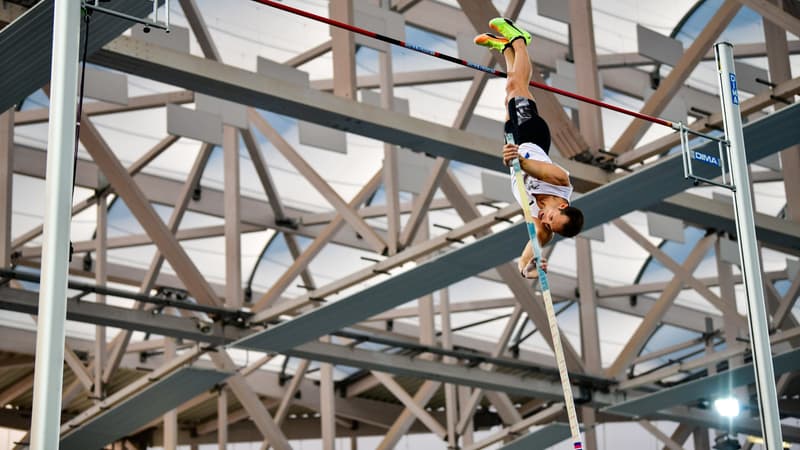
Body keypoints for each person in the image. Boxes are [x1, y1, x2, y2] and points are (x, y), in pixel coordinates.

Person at [475, 18, 584, 278]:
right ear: (561, 207)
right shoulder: (561, 182)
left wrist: (528, 269)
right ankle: (519, 39)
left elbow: (529, 251)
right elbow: (540, 171)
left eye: (548, 225)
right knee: (516, 86)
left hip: (515, 142)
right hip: (531, 137)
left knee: (509, 94)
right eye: (551, 219)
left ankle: (507, 51)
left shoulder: (544, 226)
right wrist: (519, 162)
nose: (544, 221)